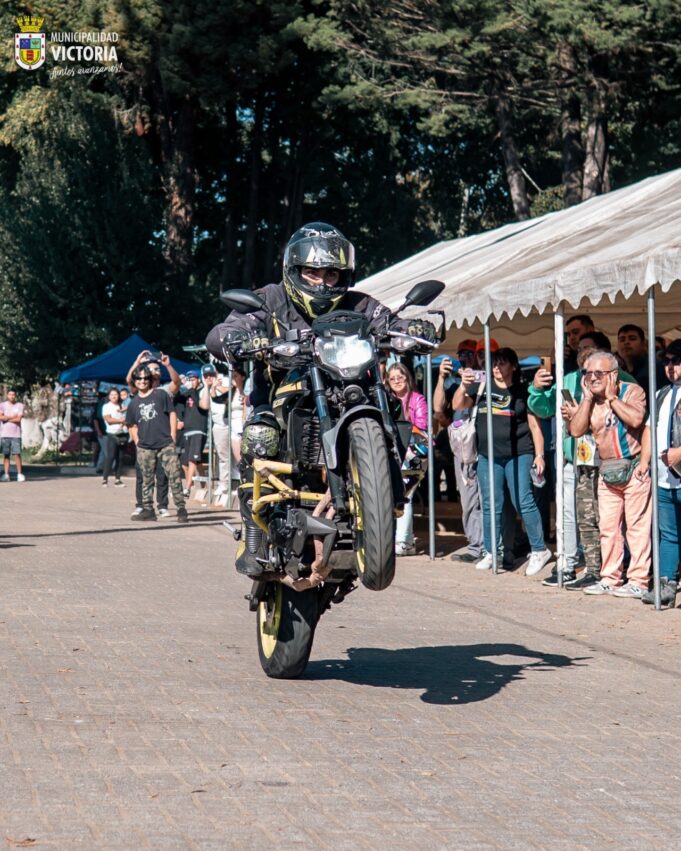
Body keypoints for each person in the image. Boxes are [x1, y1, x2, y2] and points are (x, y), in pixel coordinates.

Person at [205, 221, 436, 577]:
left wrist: (411, 330)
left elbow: (387, 322)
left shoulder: (358, 303)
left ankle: (386, 486)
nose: (323, 282)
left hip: (348, 392)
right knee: (259, 434)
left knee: (392, 408)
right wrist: (236, 338)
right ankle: (253, 534)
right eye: (312, 273)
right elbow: (226, 330)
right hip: (280, 394)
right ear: (294, 270)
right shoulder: (271, 299)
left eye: (331, 273)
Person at [529, 331, 636, 589]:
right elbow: (543, 408)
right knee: (581, 517)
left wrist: (584, 413)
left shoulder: (622, 379)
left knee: (610, 520)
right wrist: (536, 388)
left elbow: (631, 417)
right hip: (577, 458)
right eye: (579, 350)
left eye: (589, 349)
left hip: (611, 460)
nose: (582, 353)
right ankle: (581, 567)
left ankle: (613, 570)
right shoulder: (569, 379)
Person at [450, 347, 552, 576]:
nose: (496, 367)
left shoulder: (522, 390)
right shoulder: (482, 387)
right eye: (494, 363)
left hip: (519, 453)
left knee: (523, 501)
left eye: (502, 363)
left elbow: (534, 425)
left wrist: (539, 455)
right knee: (490, 504)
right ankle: (491, 551)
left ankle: (539, 549)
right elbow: (458, 405)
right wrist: (463, 385)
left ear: (513, 366)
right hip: (488, 455)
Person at [568, 351, 650, 597]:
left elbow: (637, 419)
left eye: (598, 373)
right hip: (607, 470)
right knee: (608, 528)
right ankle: (610, 578)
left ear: (613, 375)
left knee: (636, 528)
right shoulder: (591, 399)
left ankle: (639, 580)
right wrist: (586, 399)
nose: (592, 378)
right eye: (587, 373)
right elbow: (576, 430)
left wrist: (613, 398)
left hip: (634, 467)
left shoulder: (632, 391)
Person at [433, 339, 484, 563]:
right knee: (468, 497)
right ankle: (476, 545)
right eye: (460, 354)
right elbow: (438, 409)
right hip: (463, 446)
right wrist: (441, 377)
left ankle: (489, 545)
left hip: (484, 444)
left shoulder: (483, 379)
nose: (464, 358)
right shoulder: (453, 381)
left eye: (469, 354)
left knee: (487, 498)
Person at [639, 340, 681, 606]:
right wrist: (644, 461)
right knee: (668, 535)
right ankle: (666, 584)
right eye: (666, 361)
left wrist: (680, 453)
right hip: (665, 478)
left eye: (676, 361)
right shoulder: (661, 394)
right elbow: (649, 429)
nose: (670, 366)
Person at [125, 365, 188, 523]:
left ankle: (181, 509)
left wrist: (173, 435)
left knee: (174, 475)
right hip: (145, 447)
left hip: (165, 443)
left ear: (150, 379)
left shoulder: (160, 394)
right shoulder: (133, 403)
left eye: (146, 378)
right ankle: (148, 510)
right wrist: (138, 442)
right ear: (134, 381)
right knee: (146, 479)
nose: (142, 381)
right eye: (139, 378)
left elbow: (172, 413)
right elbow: (131, 425)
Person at [385, 362, 428, 556]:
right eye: (392, 378)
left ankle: (402, 540)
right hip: (394, 452)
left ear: (407, 378)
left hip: (414, 451)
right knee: (397, 493)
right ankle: (408, 542)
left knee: (404, 494)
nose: (396, 381)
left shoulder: (418, 399)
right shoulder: (386, 400)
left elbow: (422, 427)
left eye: (400, 377)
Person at [205, 366, 246, 496]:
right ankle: (229, 484)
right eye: (232, 376)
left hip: (243, 425)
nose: (233, 378)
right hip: (232, 426)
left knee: (243, 457)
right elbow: (216, 398)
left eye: (236, 376)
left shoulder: (246, 390)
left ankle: (244, 484)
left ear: (242, 377)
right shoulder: (231, 392)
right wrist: (213, 387)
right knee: (235, 456)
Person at [616, 323, 667, 402]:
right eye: (622, 340)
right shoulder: (619, 372)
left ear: (643, 344)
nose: (626, 342)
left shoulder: (656, 368)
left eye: (632, 339)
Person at [179, 370, 210, 494]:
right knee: (187, 462)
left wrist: (192, 389)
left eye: (193, 379)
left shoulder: (201, 391)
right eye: (189, 380)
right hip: (187, 430)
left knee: (193, 459)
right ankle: (203, 487)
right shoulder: (187, 393)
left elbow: (200, 404)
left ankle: (187, 488)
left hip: (198, 429)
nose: (191, 382)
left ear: (199, 380)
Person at [101, 387, 127, 487]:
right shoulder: (106, 406)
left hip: (122, 433)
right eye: (112, 394)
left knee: (120, 458)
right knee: (110, 457)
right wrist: (121, 421)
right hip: (112, 434)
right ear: (109, 396)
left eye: (116, 394)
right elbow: (109, 420)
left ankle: (118, 479)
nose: (114, 396)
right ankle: (105, 479)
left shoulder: (122, 405)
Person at [0, 389, 25, 482]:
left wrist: (6, 418)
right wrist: (12, 417)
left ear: (15, 396)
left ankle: (19, 474)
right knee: (6, 455)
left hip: (16, 434)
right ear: (7, 395)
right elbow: (0, 417)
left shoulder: (20, 405)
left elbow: (18, 419)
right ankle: (6, 474)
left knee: (17, 454)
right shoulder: (2, 405)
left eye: (13, 394)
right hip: (5, 433)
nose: (12, 396)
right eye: (10, 394)